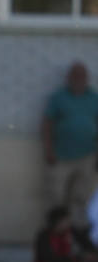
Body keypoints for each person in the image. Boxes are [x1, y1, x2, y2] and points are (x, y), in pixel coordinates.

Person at [41, 61, 98, 216]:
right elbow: (47, 124)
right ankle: (55, 234)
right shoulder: (58, 98)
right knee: (56, 196)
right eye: (75, 75)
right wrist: (48, 150)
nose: (79, 78)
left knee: (82, 197)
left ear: (87, 78)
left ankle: (78, 233)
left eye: (82, 75)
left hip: (87, 156)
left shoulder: (94, 97)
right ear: (68, 77)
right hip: (60, 156)